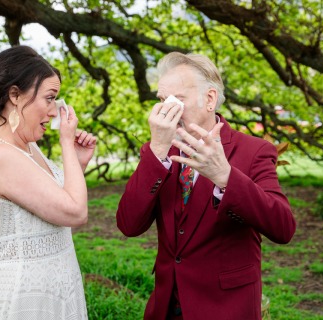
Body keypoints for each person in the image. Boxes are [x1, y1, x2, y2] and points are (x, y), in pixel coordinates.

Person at [116, 52, 296, 320]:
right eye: (162, 101)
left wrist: (225, 176)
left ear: (209, 99)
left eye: (177, 100)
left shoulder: (255, 151)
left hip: (226, 307)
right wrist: (157, 151)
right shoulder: (158, 150)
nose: (167, 110)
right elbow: (129, 225)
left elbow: (283, 228)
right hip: (167, 306)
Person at [0, 45, 96, 320]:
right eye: (49, 98)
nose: (53, 111)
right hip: (23, 298)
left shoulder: (26, 148)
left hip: (53, 287)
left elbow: (55, 206)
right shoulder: (3, 156)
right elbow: (75, 212)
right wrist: (65, 143)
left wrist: (77, 161)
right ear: (15, 94)